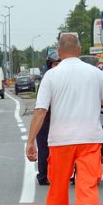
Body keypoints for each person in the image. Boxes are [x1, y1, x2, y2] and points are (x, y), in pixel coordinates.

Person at [26, 33, 103, 205]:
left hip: (61, 140)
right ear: (79, 50)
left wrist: (31, 141)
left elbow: (41, 111)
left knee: (58, 185)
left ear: (59, 53)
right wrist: (99, 99)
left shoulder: (51, 76)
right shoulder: (95, 73)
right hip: (90, 138)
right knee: (87, 186)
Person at [35, 52, 61, 186]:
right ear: (49, 66)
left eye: (59, 64)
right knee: (44, 148)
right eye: (55, 64)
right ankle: (43, 175)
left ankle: (65, 173)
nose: (58, 67)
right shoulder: (47, 80)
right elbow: (40, 106)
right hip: (45, 119)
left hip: (60, 120)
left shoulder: (65, 79)